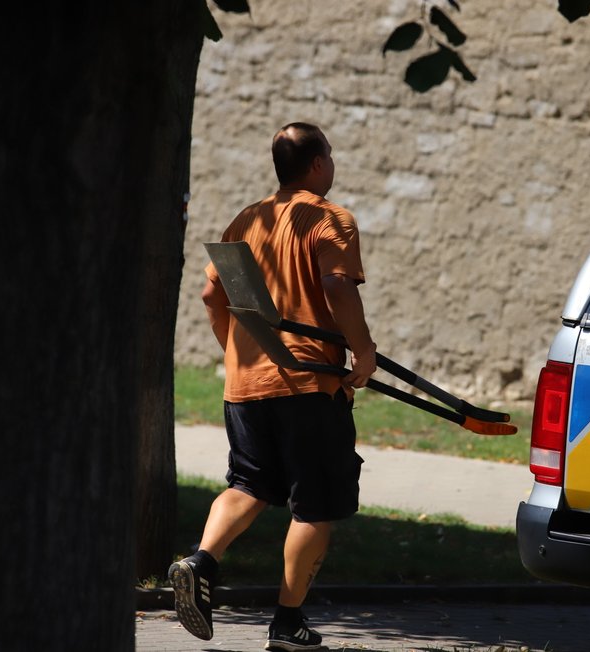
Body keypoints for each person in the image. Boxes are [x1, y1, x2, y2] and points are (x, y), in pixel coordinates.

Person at [168, 122, 377, 652]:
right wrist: (364, 350)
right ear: (316, 165)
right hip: (310, 385)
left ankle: (201, 560)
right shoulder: (331, 219)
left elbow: (212, 299)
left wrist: (238, 353)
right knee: (316, 506)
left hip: (246, 387)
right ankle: (288, 625)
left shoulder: (247, 219)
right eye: (328, 155)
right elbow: (334, 284)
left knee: (249, 485)